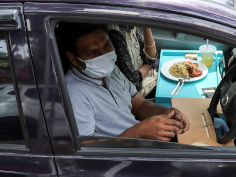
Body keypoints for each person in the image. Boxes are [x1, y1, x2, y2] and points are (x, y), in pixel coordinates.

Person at [58, 22, 189, 141]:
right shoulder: (73, 94)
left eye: (107, 45)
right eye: (93, 52)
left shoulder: (112, 71)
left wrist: (166, 112)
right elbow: (86, 151)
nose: (104, 55)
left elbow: (139, 106)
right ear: (73, 58)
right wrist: (138, 132)